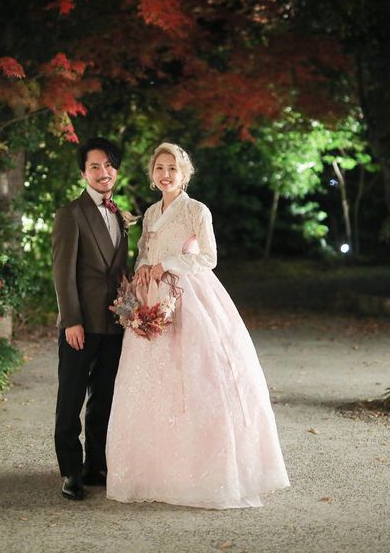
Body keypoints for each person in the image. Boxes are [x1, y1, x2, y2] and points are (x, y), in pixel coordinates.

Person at [106, 143, 290, 509]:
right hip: (151, 295)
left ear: (184, 174)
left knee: (197, 376)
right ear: (152, 173)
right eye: (160, 168)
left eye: (172, 168)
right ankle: (153, 472)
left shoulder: (196, 210)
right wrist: (144, 268)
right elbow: (144, 252)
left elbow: (209, 257)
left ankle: (201, 473)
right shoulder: (151, 212)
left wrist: (169, 264)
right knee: (149, 383)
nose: (166, 174)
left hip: (189, 294)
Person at [52, 137, 128, 501]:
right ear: (84, 173)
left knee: (104, 397)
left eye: (108, 165)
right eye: (95, 166)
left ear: (116, 170)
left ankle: (96, 465)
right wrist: (71, 320)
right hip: (80, 324)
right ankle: (70, 471)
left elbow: (119, 270)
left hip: (114, 323)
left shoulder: (121, 214)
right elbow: (62, 271)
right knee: (71, 398)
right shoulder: (71, 214)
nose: (103, 172)